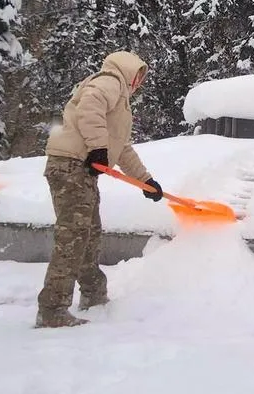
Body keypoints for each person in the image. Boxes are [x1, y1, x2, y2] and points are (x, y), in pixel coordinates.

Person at [35, 50, 164, 329]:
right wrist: (98, 148)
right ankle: (52, 308)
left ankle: (93, 294)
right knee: (73, 236)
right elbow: (89, 106)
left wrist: (146, 181)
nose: (139, 81)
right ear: (128, 69)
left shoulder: (120, 99)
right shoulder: (109, 80)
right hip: (71, 166)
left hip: (80, 169)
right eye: (138, 74)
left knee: (89, 234)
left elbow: (123, 147)